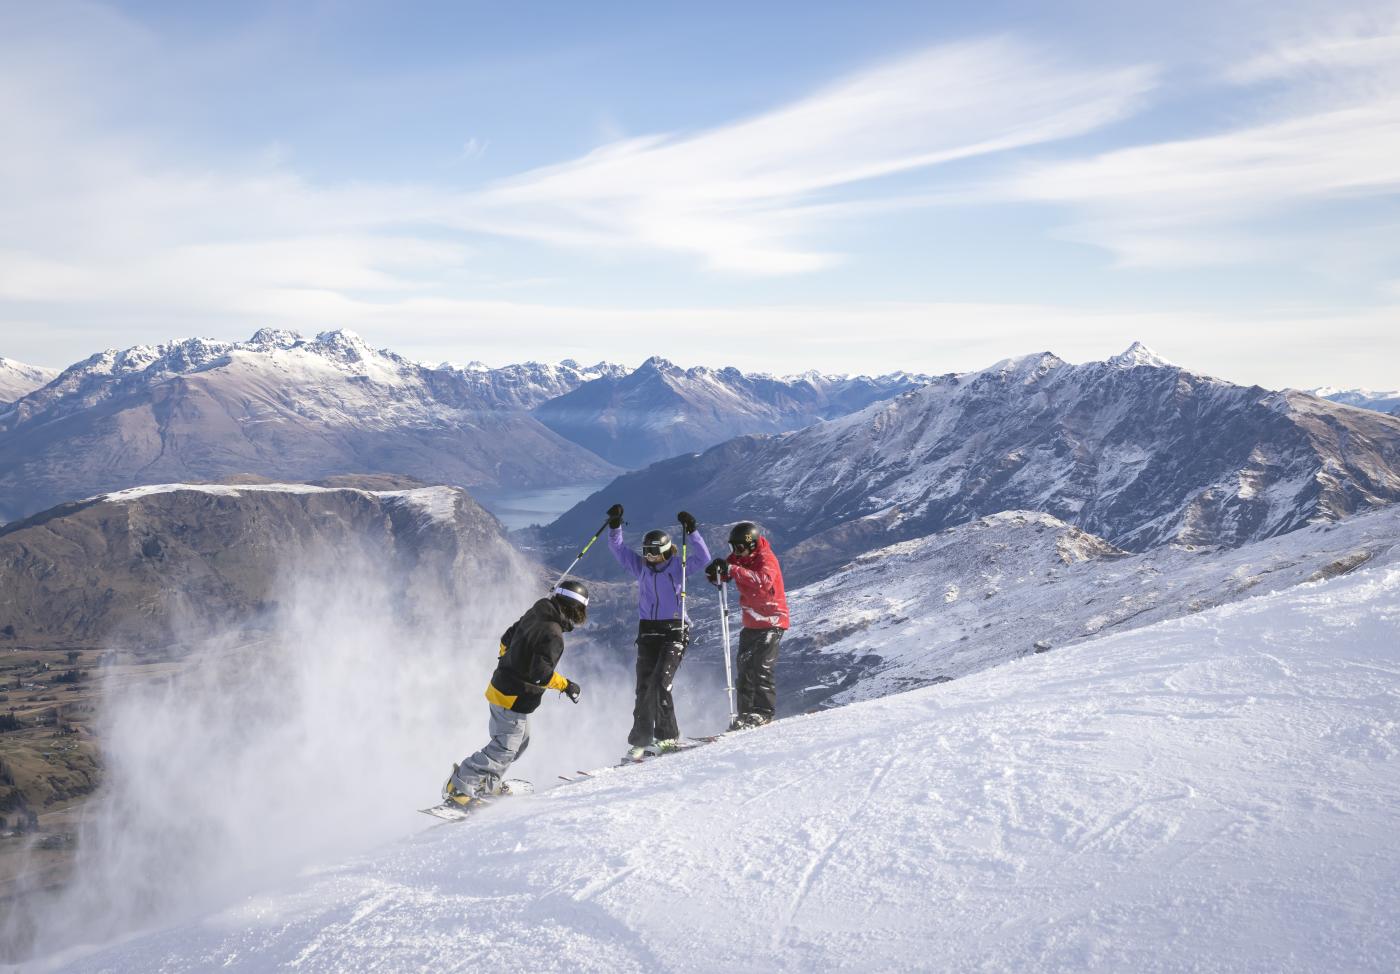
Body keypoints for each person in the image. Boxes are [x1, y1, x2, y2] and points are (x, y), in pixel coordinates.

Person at [442, 580, 588, 806]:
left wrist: (507, 661)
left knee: (520, 743)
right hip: (513, 697)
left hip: (503, 687)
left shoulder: (539, 610)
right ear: (573, 609)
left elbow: (507, 637)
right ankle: (460, 785)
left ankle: (485, 785)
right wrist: (566, 685)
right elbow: (541, 674)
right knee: (504, 748)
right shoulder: (554, 633)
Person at [606, 503, 711, 761]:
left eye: (654, 553)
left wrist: (694, 532)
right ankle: (640, 740)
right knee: (643, 687)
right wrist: (615, 524)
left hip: (675, 629)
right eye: (646, 552)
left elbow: (704, 558)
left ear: (665, 552)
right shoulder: (641, 567)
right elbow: (617, 548)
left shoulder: (678, 566)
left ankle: (666, 737)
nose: (649, 557)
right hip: (648, 630)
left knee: (660, 683)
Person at [706, 521, 788, 730]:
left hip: (772, 621)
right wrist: (717, 573)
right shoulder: (740, 557)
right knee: (744, 668)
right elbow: (726, 571)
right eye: (733, 547)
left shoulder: (766, 559)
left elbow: (763, 581)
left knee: (761, 666)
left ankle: (763, 712)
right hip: (751, 622)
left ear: (751, 545)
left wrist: (732, 569)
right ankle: (745, 714)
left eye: (739, 547)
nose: (736, 552)